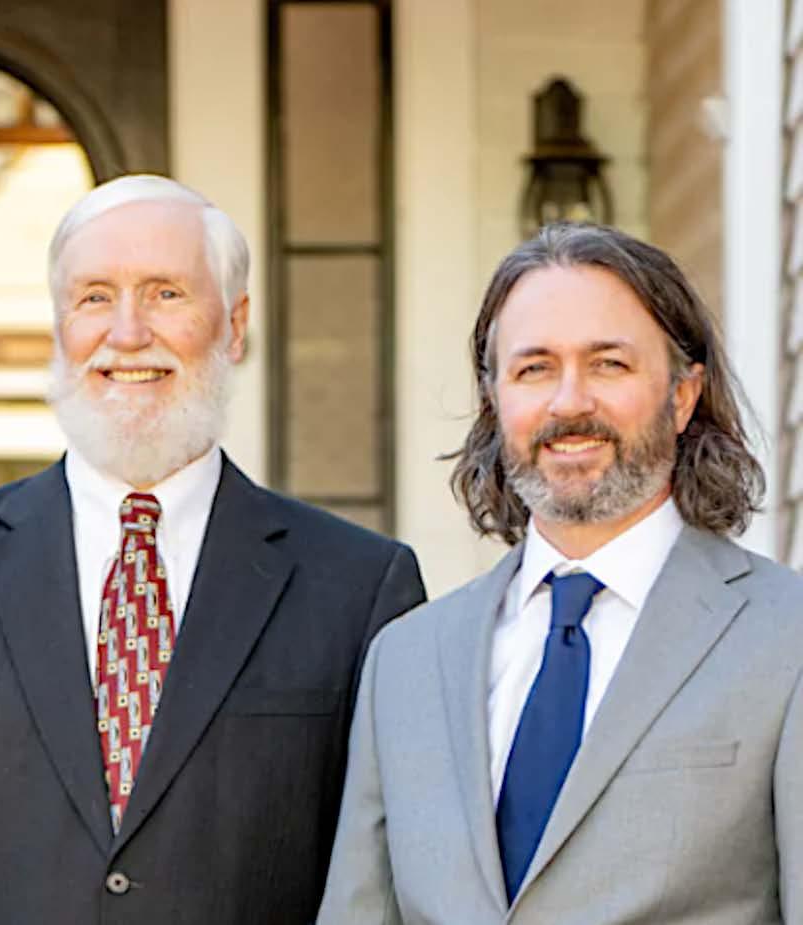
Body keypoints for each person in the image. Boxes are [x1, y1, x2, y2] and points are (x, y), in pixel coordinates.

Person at [0, 175, 426, 925]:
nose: (128, 333)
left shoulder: (360, 588)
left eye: (166, 293)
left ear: (234, 325)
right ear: (59, 326)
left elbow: (391, 894)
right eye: (95, 297)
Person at [318, 223, 797, 923]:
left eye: (609, 364)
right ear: (495, 400)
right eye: (534, 368)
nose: (569, 402)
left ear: (683, 395)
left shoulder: (786, 639)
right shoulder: (405, 661)